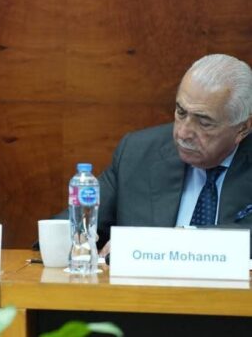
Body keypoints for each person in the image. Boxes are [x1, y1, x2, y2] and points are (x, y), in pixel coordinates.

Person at [92, 54, 252, 256]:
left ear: (243, 128)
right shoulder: (138, 153)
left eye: (204, 123)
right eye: (181, 112)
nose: (183, 133)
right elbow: (78, 224)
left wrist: (163, 243)